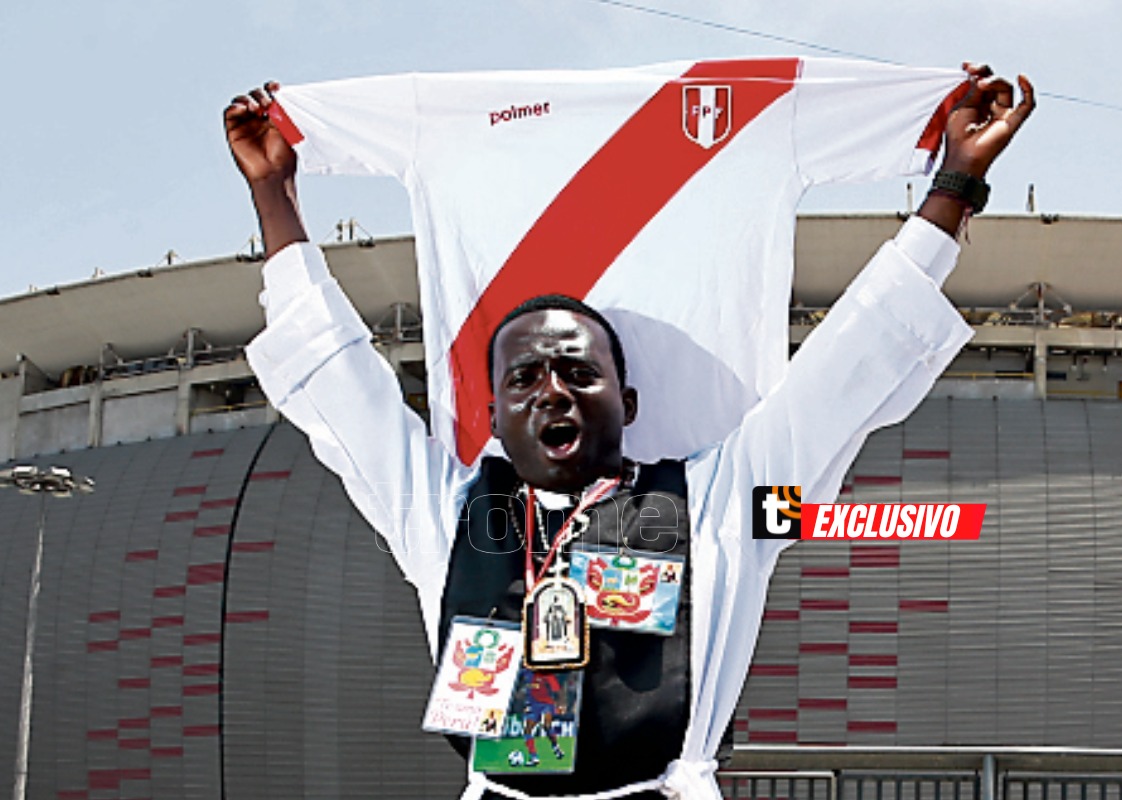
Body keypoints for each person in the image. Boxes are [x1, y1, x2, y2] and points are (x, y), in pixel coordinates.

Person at [225, 62, 1033, 800]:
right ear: (495, 416)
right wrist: (275, 197)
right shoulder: (446, 515)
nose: (552, 393)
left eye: (578, 373)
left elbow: (849, 363)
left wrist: (956, 184)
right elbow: (342, 385)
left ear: (629, 403)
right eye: (523, 379)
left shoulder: (720, 502)